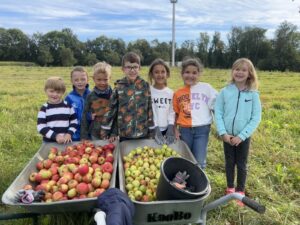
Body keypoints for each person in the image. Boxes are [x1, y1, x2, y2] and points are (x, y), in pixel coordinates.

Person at [214, 58, 261, 206]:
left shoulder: (253, 94)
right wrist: (223, 133)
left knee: (241, 164)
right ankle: (230, 188)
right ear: (232, 71)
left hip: (243, 137)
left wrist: (242, 135)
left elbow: (256, 117)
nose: (239, 72)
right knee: (229, 162)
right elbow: (218, 112)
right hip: (227, 136)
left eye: (243, 70)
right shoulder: (225, 91)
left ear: (249, 74)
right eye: (237, 69)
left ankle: (240, 191)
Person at [173, 58, 217, 169]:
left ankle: (199, 183)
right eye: (187, 72)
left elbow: (218, 104)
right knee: (185, 158)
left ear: (199, 74)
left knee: (199, 160)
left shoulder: (206, 88)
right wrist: (175, 129)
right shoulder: (178, 93)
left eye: (194, 73)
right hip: (185, 130)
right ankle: (185, 184)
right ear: (182, 74)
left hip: (202, 130)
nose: (190, 75)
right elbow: (175, 113)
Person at [101, 52, 155, 142]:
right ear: (123, 69)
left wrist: (152, 131)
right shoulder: (119, 87)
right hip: (124, 133)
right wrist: (107, 131)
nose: (132, 70)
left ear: (139, 68)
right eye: (128, 67)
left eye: (135, 67)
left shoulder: (145, 86)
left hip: (142, 133)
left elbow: (149, 109)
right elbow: (111, 110)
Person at [80, 62, 116, 141]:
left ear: (110, 78)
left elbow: (117, 116)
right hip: (95, 133)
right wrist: (84, 136)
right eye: (99, 80)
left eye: (105, 79)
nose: (102, 83)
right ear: (93, 79)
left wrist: (114, 133)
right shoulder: (90, 96)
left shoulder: (114, 95)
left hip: (111, 135)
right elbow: (85, 116)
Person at [37, 77, 77, 143]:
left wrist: (69, 133)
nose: (55, 94)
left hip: (66, 141)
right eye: (51, 91)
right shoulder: (44, 109)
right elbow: (41, 127)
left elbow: (74, 121)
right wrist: (55, 136)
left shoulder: (68, 106)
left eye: (58, 92)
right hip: (49, 142)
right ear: (46, 90)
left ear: (63, 92)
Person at [148, 58, 175, 145]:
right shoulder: (148, 92)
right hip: (152, 130)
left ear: (167, 74)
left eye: (163, 72)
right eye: (156, 72)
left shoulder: (171, 93)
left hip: (167, 131)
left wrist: (171, 128)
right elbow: (150, 112)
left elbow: (172, 111)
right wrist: (155, 128)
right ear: (152, 74)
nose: (160, 75)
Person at [65, 66, 91, 141]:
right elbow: (67, 117)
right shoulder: (69, 98)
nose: (80, 82)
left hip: (89, 133)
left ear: (87, 80)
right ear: (72, 81)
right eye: (76, 80)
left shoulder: (92, 95)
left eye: (83, 79)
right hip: (75, 134)